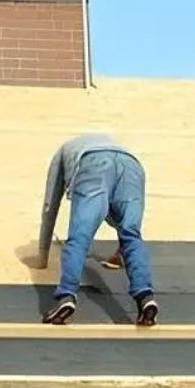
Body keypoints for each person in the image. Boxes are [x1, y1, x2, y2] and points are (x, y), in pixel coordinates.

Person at [38, 133, 158, 325]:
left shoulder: (62, 152)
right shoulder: (117, 147)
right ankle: (146, 298)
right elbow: (118, 217)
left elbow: (49, 206)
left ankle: (66, 297)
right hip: (132, 167)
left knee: (79, 238)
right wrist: (122, 253)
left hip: (92, 164)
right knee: (131, 235)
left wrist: (42, 255)